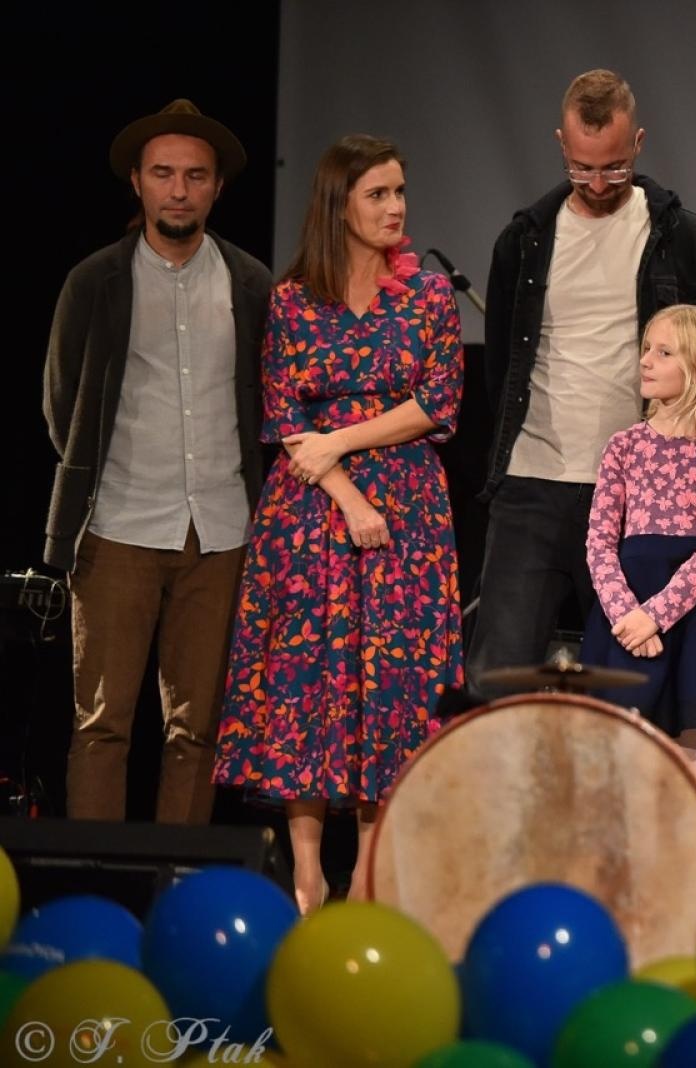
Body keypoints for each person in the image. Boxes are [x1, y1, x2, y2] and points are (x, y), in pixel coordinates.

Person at [211, 135, 465, 913]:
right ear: (338, 205)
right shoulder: (291, 300)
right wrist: (349, 497)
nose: (396, 208)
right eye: (378, 195)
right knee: (310, 678)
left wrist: (345, 441)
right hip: (312, 510)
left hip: (407, 510)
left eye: (399, 192)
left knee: (389, 683)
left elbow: (438, 405)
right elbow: (286, 416)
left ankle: (368, 877)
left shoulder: (427, 295)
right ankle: (307, 873)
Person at [44, 99, 272, 823]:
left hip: (222, 534)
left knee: (197, 732)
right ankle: (97, 885)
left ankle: (179, 889)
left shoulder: (251, 285)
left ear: (216, 188)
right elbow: (61, 404)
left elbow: (269, 406)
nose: (179, 190)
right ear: (137, 183)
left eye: (195, 176)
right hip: (117, 529)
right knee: (102, 726)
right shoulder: (95, 281)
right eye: (164, 174)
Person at [472, 69, 696, 688]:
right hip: (535, 479)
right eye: (583, 168)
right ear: (562, 145)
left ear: (637, 143)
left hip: (643, 490)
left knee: (635, 674)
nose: (599, 182)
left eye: (614, 166)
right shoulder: (524, 241)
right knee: (498, 672)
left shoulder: (682, 238)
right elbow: (500, 364)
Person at [580, 304, 696, 782]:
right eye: (645, 349)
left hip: (692, 610)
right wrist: (627, 614)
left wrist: (657, 614)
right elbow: (598, 541)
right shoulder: (625, 446)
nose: (645, 361)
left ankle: (690, 852)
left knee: (687, 756)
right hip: (626, 607)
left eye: (663, 352)